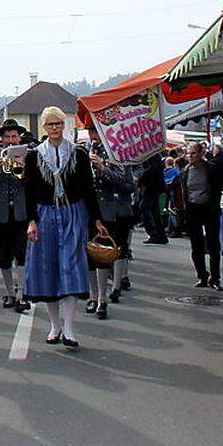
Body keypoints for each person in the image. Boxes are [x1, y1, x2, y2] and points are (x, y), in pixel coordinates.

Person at [24, 107, 104, 349]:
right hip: (45, 214)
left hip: (72, 213)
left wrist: (96, 219)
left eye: (58, 123)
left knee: (71, 266)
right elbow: (29, 191)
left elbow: (88, 188)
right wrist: (31, 220)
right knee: (48, 268)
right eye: (50, 124)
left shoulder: (77, 154)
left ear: (64, 125)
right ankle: (54, 325)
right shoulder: (33, 156)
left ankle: (69, 328)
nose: (55, 128)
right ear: (44, 128)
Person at [0, 118, 32, 312]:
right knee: (4, 255)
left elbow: (30, 182)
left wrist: (21, 167)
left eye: (14, 137)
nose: (11, 141)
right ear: (1, 139)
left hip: (20, 213)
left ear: (20, 138)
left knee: (22, 253)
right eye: (7, 137)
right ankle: (9, 292)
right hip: (0, 214)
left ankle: (21, 293)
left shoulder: (28, 155)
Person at [87, 134, 136, 319]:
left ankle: (107, 293)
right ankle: (94, 296)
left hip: (114, 211)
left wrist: (102, 168)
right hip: (92, 211)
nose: (93, 136)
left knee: (111, 252)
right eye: (91, 131)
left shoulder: (119, 154)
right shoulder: (87, 150)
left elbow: (128, 185)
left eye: (95, 131)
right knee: (90, 255)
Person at [181, 142, 223, 290]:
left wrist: (214, 205)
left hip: (209, 209)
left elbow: (218, 188)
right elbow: (184, 191)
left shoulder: (211, 168)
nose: (190, 156)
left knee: (213, 245)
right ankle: (202, 276)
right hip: (193, 210)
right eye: (188, 153)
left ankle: (215, 278)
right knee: (196, 246)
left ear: (201, 154)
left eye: (193, 153)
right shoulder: (186, 170)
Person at [137, 154, 168, 244]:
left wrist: (141, 178)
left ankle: (154, 233)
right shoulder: (155, 155)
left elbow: (151, 169)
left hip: (152, 185)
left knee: (144, 206)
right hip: (154, 185)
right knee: (154, 210)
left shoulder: (152, 155)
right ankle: (160, 235)